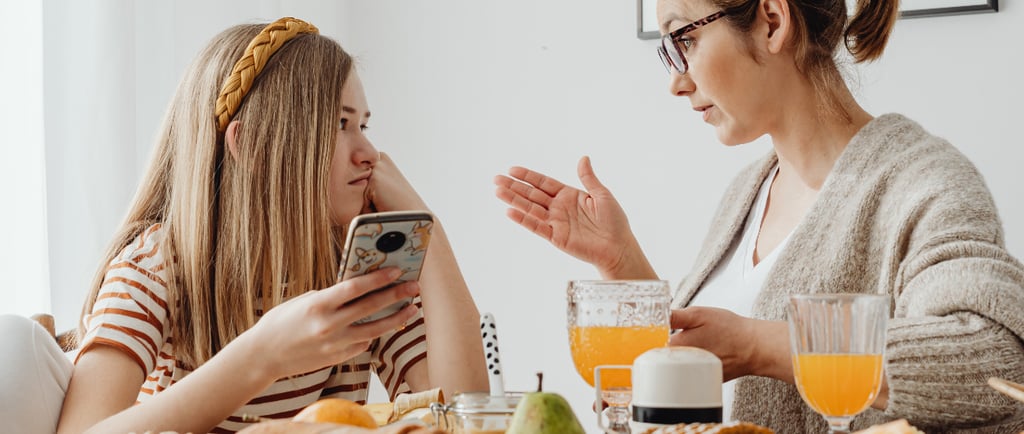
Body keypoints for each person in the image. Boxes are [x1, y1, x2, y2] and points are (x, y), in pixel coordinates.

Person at [494, 0, 1024, 431]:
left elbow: (997, 363)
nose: (676, 82)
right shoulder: (748, 191)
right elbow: (699, 373)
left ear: (772, 21)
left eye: (684, 40)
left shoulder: (923, 184)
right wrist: (622, 260)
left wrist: (757, 345)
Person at [0, 17, 487, 434]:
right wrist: (264, 354)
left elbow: (465, 417)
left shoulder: (353, 267)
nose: (369, 153)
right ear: (252, 146)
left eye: (364, 125)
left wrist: (428, 230)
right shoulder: (155, 267)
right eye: (341, 124)